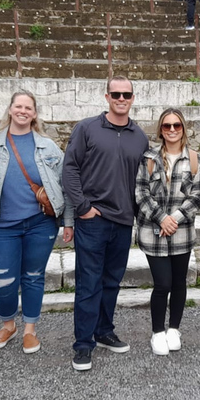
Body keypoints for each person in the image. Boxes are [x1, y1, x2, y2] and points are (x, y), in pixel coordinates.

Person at [63, 75, 149, 371]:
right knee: (88, 284)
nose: (121, 99)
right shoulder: (87, 129)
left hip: (123, 222)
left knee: (111, 282)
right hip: (94, 220)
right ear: (106, 96)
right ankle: (83, 344)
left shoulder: (140, 136)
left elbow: (143, 181)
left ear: (132, 98)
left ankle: (103, 331)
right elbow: (70, 169)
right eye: (116, 94)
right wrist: (83, 208)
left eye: (126, 94)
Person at [0, 91, 74, 355]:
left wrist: (67, 221)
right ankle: (8, 324)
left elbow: (64, 186)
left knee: (34, 277)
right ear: (10, 110)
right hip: (3, 224)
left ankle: (30, 330)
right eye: (18, 106)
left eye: (28, 108)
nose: (23, 111)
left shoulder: (48, 146)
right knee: (4, 280)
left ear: (34, 114)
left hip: (40, 222)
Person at [135, 109, 200, 356]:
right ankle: (157, 331)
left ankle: (174, 329)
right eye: (167, 126)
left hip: (181, 232)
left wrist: (173, 219)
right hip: (153, 232)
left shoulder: (195, 160)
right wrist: (161, 218)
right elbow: (141, 193)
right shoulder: (149, 158)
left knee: (178, 283)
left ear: (183, 127)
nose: (172, 130)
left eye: (177, 125)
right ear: (161, 129)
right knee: (162, 283)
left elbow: (197, 197)